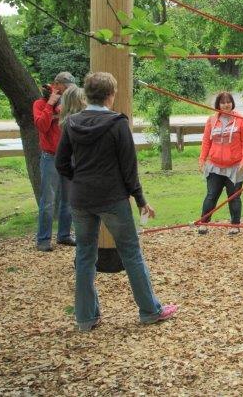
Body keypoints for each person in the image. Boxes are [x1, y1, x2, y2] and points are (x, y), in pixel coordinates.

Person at [56, 72, 177, 331]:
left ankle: (86, 318)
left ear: (87, 94)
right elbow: (128, 168)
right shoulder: (118, 123)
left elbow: (61, 164)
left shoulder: (72, 123)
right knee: (131, 252)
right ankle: (150, 310)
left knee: (85, 255)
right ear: (111, 95)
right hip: (112, 198)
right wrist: (140, 200)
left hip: (82, 198)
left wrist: (80, 180)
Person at [33, 71, 77, 251]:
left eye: (69, 89)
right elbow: (42, 125)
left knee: (68, 199)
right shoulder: (39, 103)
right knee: (48, 200)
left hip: (68, 156)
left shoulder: (68, 104)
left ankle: (64, 235)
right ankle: (43, 240)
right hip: (50, 157)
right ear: (56, 85)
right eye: (64, 88)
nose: (66, 91)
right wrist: (50, 104)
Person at [197, 92, 243, 235]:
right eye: (222, 102)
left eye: (228, 102)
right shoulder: (211, 120)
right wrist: (202, 159)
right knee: (211, 195)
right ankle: (203, 223)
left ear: (232, 103)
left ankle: (235, 225)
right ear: (218, 105)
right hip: (215, 166)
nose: (226, 104)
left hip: (235, 166)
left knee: (234, 196)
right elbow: (206, 141)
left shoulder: (241, 119)